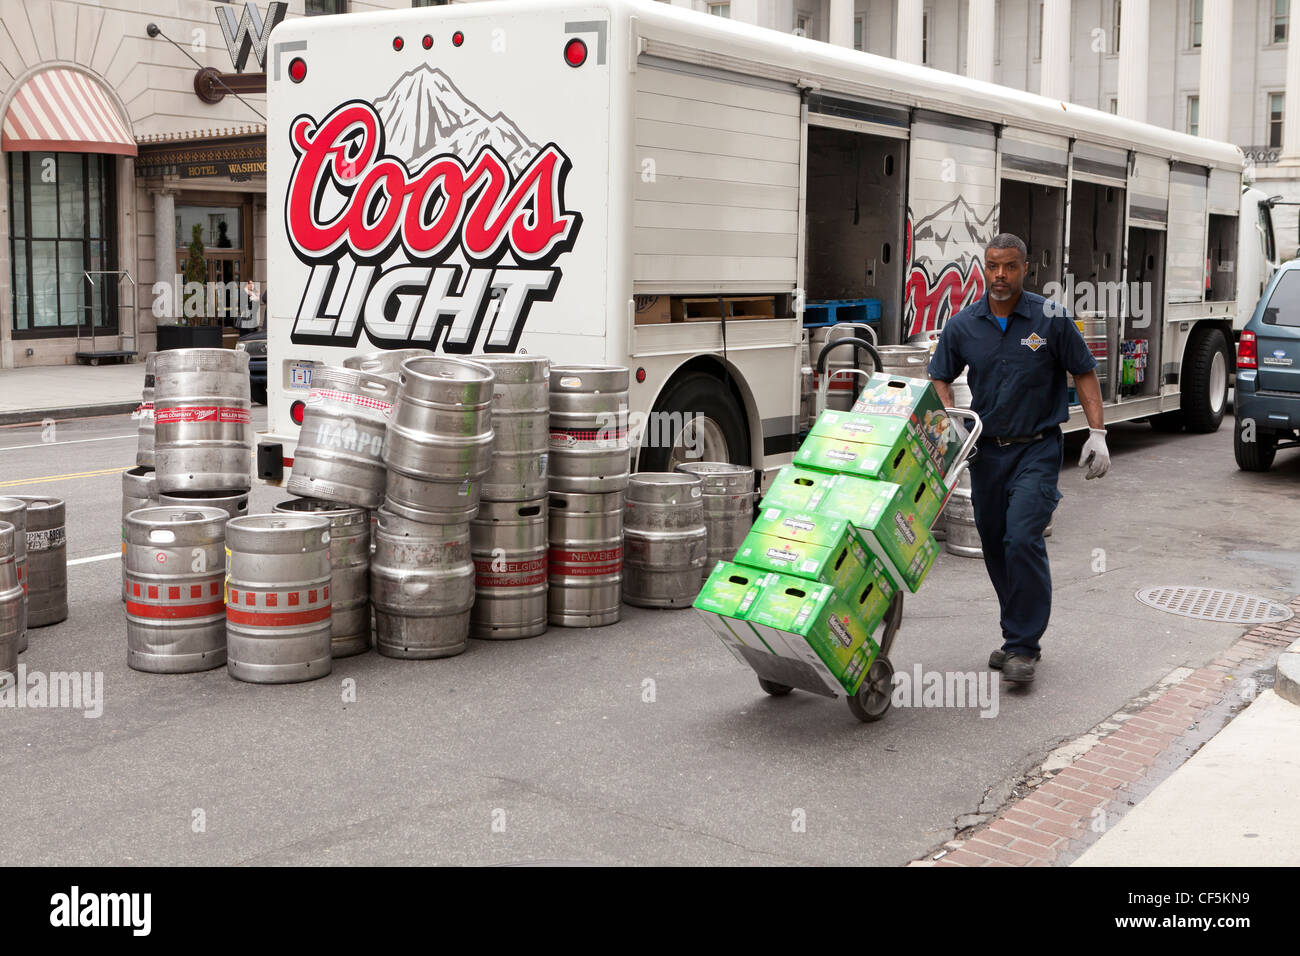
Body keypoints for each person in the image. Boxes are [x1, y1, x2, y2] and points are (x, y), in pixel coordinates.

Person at [928, 233, 1110, 685]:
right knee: (994, 546)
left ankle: (1025, 645)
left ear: (1025, 268)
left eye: (1009, 267)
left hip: (1038, 448)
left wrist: (1098, 432)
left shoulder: (1049, 318)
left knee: (1022, 538)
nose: (1000, 276)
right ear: (983, 268)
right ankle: (1015, 638)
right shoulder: (964, 324)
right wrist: (950, 425)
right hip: (987, 453)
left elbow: (1083, 371)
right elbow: (939, 377)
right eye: (992, 266)